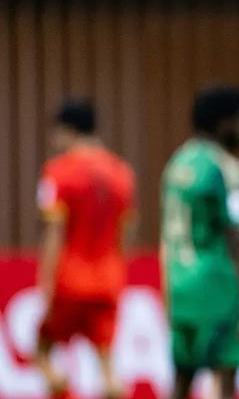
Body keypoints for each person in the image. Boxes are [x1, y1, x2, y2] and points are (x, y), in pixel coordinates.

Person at [160, 87, 239, 399]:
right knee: (225, 378)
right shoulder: (225, 167)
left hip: (180, 285)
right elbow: (237, 234)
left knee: (181, 380)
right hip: (216, 286)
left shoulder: (177, 164)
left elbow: (166, 236)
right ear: (225, 122)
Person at [36, 99, 136, 399]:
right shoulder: (122, 172)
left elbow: (54, 234)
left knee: (42, 353)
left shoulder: (58, 172)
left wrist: (46, 284)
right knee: (108, 369)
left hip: (69, 280)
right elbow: (126, 232)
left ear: (68, 130)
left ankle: (60, 387)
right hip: (108, 280)